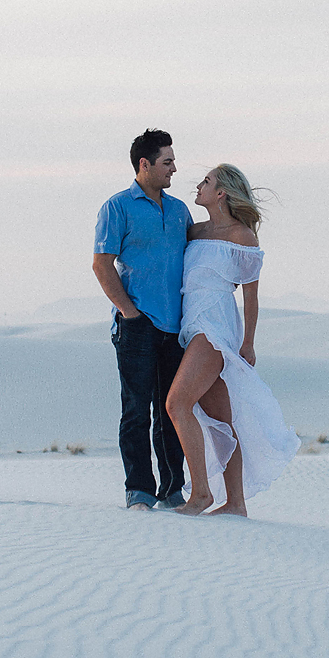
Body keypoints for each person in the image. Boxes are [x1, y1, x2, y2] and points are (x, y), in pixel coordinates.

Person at [166, 163, 298, 515]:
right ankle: (236, 503)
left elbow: (251, 297)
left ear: (221, 192)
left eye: (206, 182)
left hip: (215, 326)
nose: (199, 185)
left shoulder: (243, 237)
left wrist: (248, 344)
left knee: (177, 404)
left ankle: (201, 495)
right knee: (220, 419)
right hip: (191, 323)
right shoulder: (194, 232)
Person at [92, 129, 193, 510]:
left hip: (176, 329)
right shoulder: (117, 207)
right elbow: (102, 265)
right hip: (137, 325)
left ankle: (171, 491)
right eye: (167, 162)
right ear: (144, 164)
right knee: (136, 410)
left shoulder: (180, 210)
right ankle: (139, 492)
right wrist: (130, 314)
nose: (174, 168)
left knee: (172, 411)